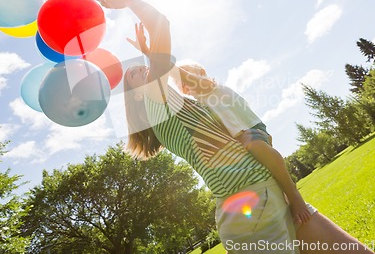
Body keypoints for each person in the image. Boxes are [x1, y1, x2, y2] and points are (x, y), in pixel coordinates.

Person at [96, 0, 374, 254]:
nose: (141, 69)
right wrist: (129, 1)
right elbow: (161, 24)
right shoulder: (157, 108)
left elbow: (169, 70)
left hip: (265, 191)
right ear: (136, 97)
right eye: (133, 75)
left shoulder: (176, 106)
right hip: (251, 204)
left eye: (141, 66)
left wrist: (150, 53)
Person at [128, 25, 312, 226]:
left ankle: (293, 194)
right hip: (240, 142)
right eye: (184, 88)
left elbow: (166, 68)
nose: (187, 86)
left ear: (202, 72)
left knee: (256, 147)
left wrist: (149, 52)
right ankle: (285, 197)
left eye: (189, 77)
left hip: (250, 129)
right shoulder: (195, 103)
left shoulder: (210, 89)